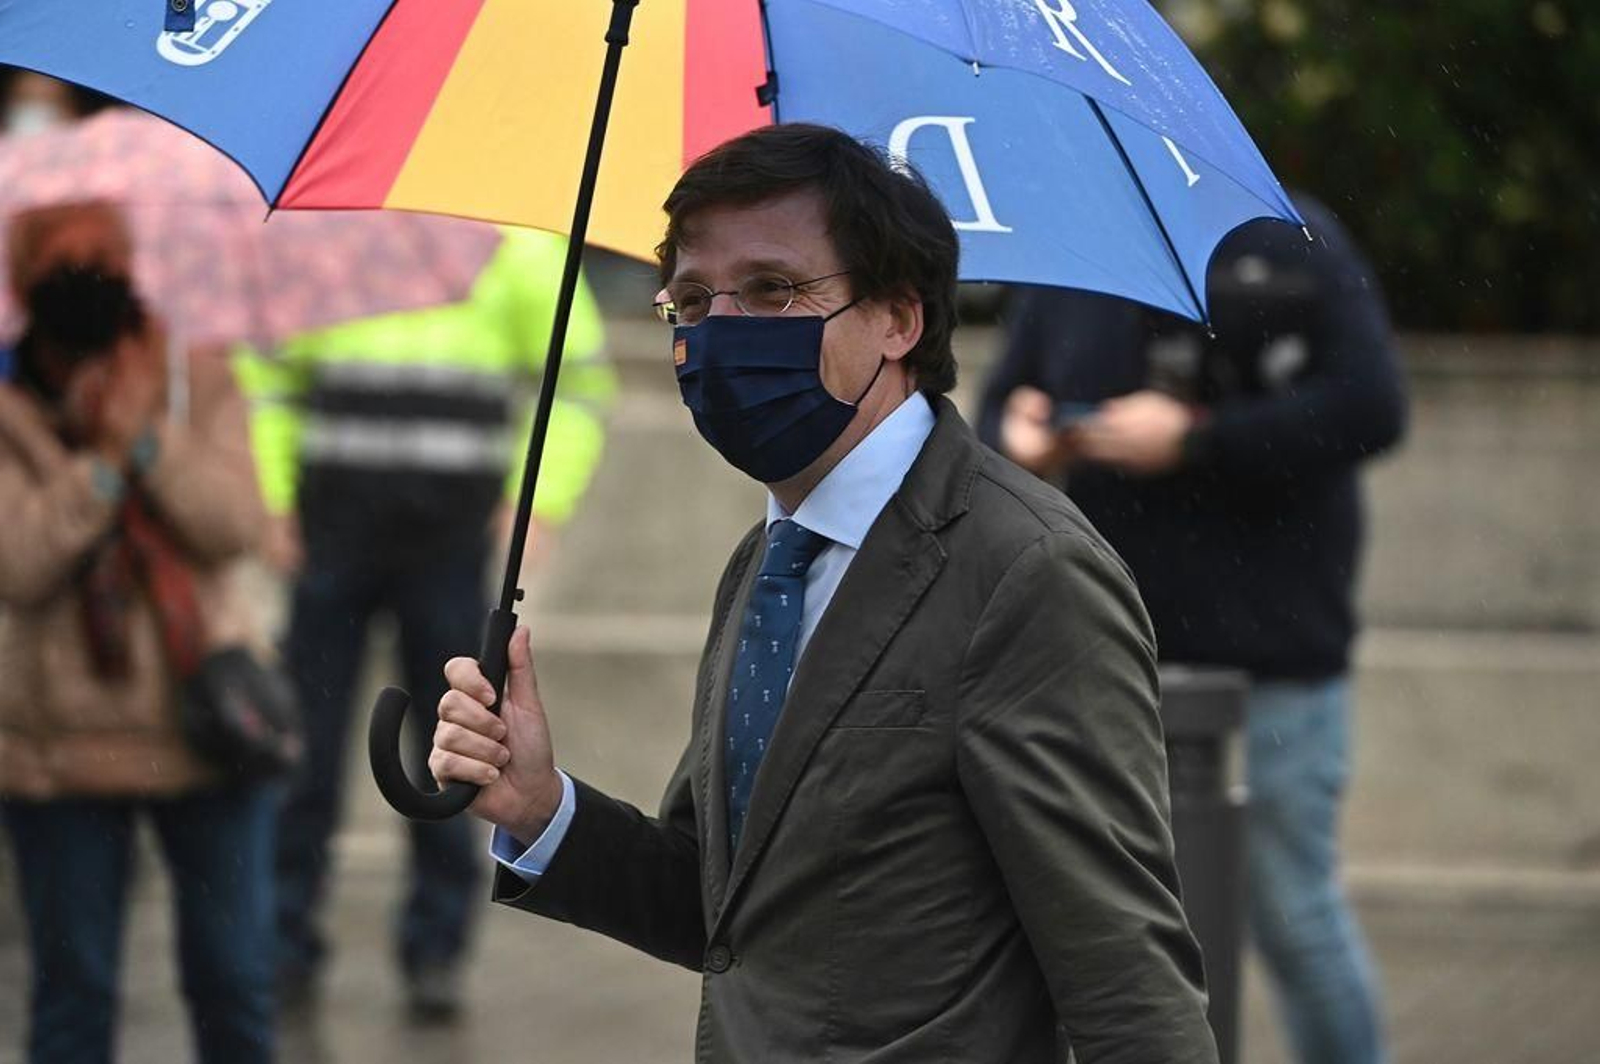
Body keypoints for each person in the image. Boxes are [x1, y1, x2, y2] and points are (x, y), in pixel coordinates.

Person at [427, 124, 1217, 1063]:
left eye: (773, 289)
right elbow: (727, 910)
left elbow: (1125, 979)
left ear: (899, 319)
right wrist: (539, 806)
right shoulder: (769, 559)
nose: (720, 330)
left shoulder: (1026, 569)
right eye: (691, 299)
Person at [978, 195, 1407, 1064]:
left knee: (1293, 918)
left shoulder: (1288, 239)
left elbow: (1371, 405)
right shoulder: (1073, 245)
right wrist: (1021, 439)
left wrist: (1198, 439)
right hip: (1104, 657)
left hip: (1270, 661)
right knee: (1110, 931)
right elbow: (999, 409)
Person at [234, 227, 613, 1020]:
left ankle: (435, 951)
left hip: (450, 544)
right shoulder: (319, 241)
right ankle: (281, 945)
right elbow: (264, 378)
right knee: (304, 750)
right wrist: (270, 496)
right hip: (329, 534)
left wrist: (540, 502)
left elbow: (576, 383)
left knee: (456, 756)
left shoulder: (520, 246)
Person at [0, 202, 275, 1063]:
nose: (86, 278)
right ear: (23, 281)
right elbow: (19, 561)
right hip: (57, 752)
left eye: (104, 258)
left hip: (209, 733)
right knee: (74, 997)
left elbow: (234, 525)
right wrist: (106, 464)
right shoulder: (8, 400)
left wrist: (148, 438)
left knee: (234, 984)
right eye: (62, 261)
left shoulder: (196, 376)